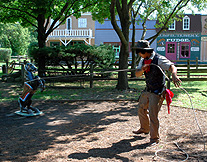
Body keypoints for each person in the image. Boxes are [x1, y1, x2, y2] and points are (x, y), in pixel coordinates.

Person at [132, 40, 181, 145]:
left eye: (139, 52)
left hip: (158, 91)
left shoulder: (159, 59)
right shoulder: (143, 60)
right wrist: (142, 69)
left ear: (145, 51)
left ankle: (154, 138)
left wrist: (174, 74)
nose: (139, 54)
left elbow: (172, 66)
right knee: (141, 108)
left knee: (153, 114)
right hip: (148, 89)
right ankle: (144, 128)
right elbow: (137, 74)